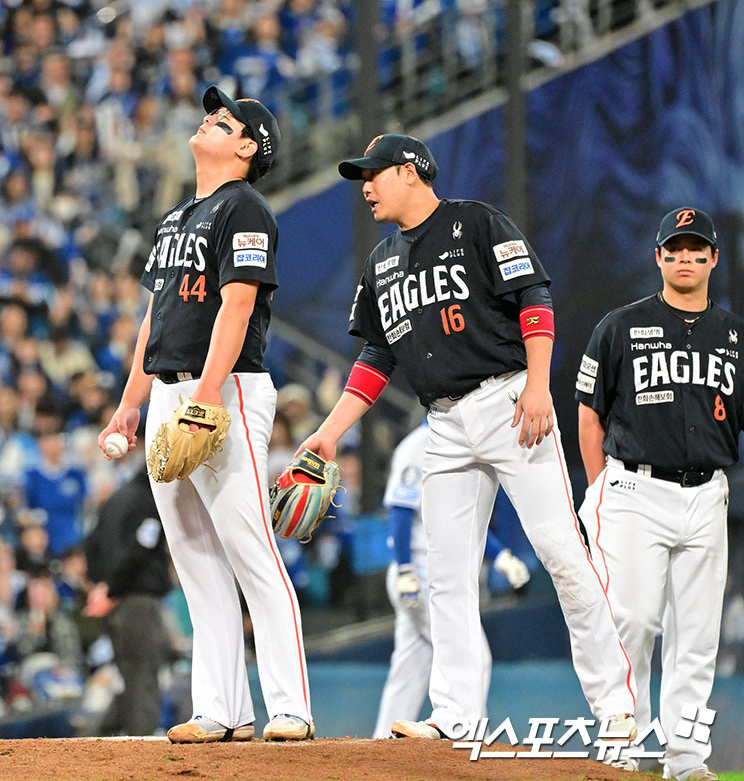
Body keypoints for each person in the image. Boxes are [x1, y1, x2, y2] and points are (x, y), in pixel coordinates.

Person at [298, 134, 636, 742]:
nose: (366, 186)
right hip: (445, 425)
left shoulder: (477, 223)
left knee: (561, 552)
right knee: (447, 575)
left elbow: (532, 297)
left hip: (509, 402)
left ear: (410, 171)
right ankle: (455, 714)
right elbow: (377, 356)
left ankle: (614, 706)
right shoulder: (381, 262)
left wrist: (538, 384)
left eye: (374, 174)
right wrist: (328, 433)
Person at [98, 85, 313, 743]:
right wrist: (128, 407)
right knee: (191, 553)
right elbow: (155, 320)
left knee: (249, 545)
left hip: (225, 389)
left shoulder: (245, 207)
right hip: (171, 389)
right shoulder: (175, 220)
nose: (207, 119)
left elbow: (238, 304)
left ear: (247, 146)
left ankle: (291, 708)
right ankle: (221, 710)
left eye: (223, 120)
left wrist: (205, 396)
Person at [575, 208, 737, 780]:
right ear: (659, 257)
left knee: (696, 637)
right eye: (675, 249)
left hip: (706, 494)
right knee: (634, 619)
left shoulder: (733, 336)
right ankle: (619, 746)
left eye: (697, 250)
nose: (685, 259)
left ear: (714, 258)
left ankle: (686, 758)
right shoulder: (620, 325)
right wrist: (600, 488)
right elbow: (589, 414)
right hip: (634, 489)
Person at [372, 421, 531, 738]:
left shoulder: (460, 441)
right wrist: (405, 569)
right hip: (418, 569)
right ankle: (471, 738)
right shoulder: (418, 445)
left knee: (411, 666)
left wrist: (499, 556)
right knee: (475, 655)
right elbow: (401, 511)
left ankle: (381, 745)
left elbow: (465, 520)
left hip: (434, 569)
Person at [84, 455, 173, 737]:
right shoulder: (146, 502)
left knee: (132, 677)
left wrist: (102, 586)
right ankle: (145, 749)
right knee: (144, 676)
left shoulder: (115, 499)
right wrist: (112, 588)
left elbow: (91, 545)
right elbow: (139, 550)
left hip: (116, 603)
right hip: (135, 601)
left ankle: (94, 741)